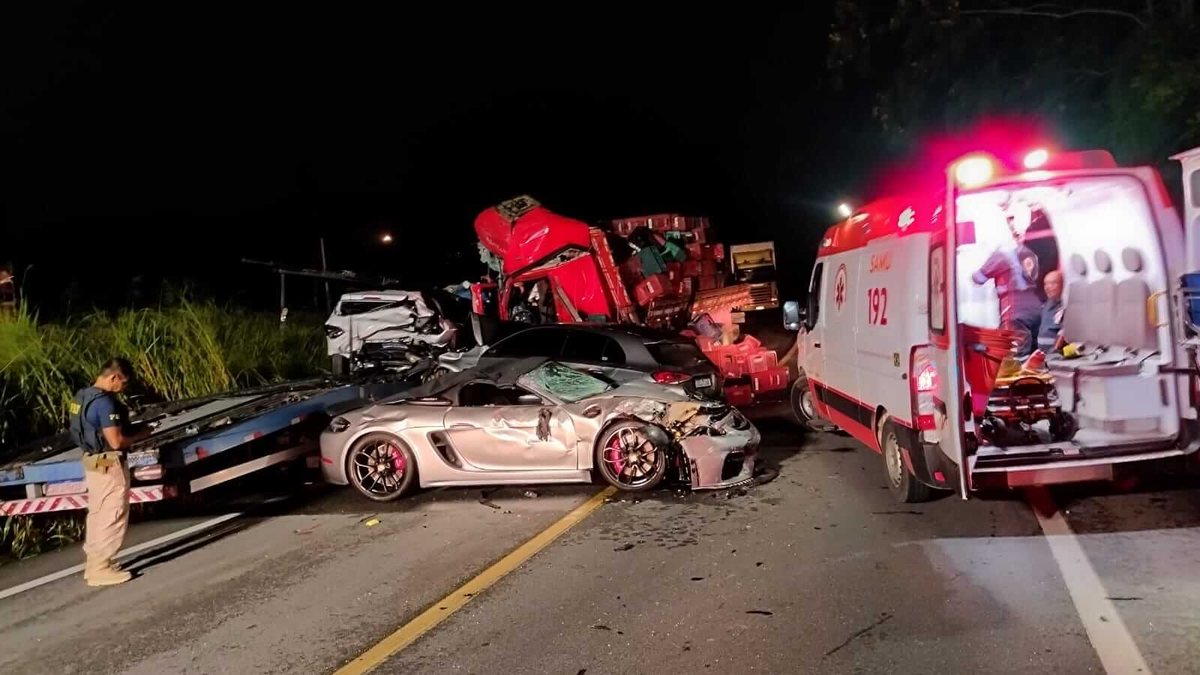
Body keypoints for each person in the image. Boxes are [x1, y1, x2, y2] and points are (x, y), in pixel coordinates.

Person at [68, 358, 152, 587]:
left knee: (97, 513)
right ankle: (100, 568)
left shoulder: (82, 396)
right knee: (112, 514)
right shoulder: (105, 403)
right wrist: (142, 434)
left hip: (92, 462)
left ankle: (94, 563)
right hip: (109, 464)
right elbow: (116, 441)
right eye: (122, 383)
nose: (122, 389)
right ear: (114, 377)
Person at [972, 244, 1042, 357]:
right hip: (1035, 307)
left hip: (1015, 308)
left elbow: (978, 278)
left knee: (1015, 355)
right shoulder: (1028, 252)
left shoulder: (1001, 254)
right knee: (1035, 356)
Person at [1038, 270, 1065, 352]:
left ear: (1063, 285)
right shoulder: (1045, 307)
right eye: (1045, 284)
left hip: (1056, 358)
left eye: (1053, 283)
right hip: (1042, 357)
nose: (1047, 287)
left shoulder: (1068, 308)